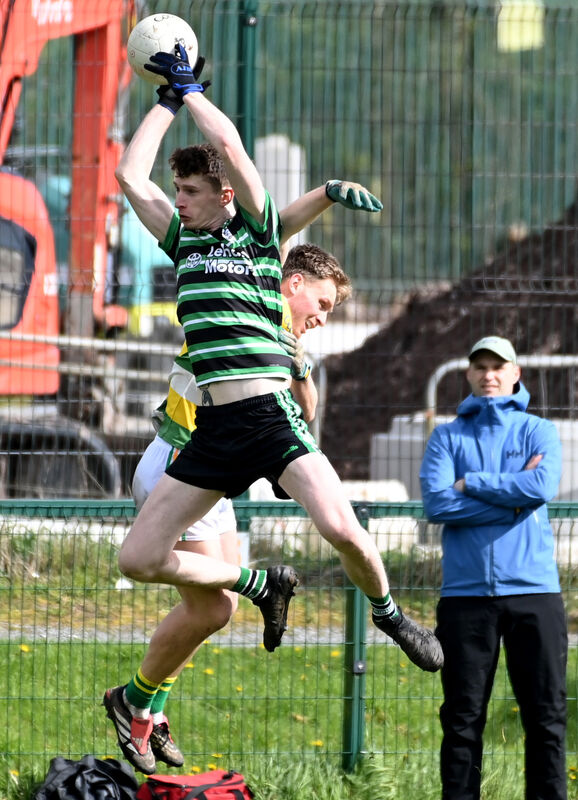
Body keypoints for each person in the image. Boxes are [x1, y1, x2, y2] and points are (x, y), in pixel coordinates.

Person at [104, 44, 443, 774]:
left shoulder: (257, 239)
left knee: (341, 527)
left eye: (190, 192)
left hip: (268, 419)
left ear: (224, 197)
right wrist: (164, 101)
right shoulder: (180, 245)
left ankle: (390, 616)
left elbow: (229, 146)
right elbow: (130, 176)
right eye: (179, 193)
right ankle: (255, 588)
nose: (180, 200)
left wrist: (193, 92)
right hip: (214, 432)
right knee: (136, 559)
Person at [123, 243, 354, 773]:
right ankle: (138, 706)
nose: (323, 316)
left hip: (213, 477)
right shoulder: (244, 313)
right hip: (183, 464)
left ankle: (148, 706)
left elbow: (308, 409)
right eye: (322, 302)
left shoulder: (284, 335)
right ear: (292, 284)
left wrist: (299, 361)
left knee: (212, 612)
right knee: (213, 608)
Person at [420, 335, 567, 800]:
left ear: (515, 373)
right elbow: (438, 503)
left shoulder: (539, 431)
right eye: (480, 366)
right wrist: (512, 502)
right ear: (467, 375)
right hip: (464, 598)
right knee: (462, 720)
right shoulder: (446, 436)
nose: (489, 374)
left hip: (535, 593)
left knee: (545, 717)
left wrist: (474, 484)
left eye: (498, 366)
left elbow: (541, 484)